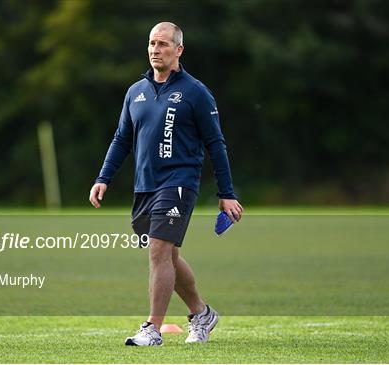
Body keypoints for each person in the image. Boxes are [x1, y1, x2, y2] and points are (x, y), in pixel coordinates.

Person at [89, 22, 243, 346]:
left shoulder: (195, 92)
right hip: (145, 186)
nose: (155, 50)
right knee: (168, 258)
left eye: (162, 44)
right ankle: (202, 314)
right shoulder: (135, 92)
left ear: (178, 50)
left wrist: (226, 194)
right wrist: (103, 177)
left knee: (159, 251)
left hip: (180, 183)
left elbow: (216, 144)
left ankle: (152, 329)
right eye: (151, 44)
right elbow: (121, 140)